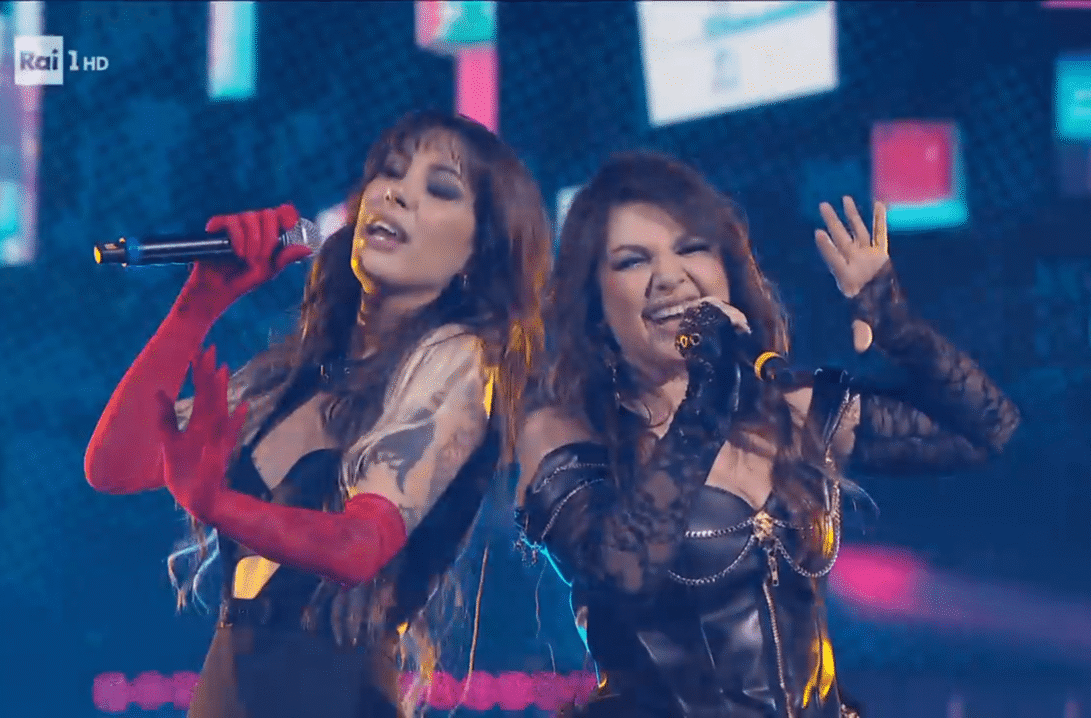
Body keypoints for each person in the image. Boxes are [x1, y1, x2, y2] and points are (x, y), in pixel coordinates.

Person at [514, 151, 1020, 718]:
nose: (669, 277)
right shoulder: (561, 431)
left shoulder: (789, 410)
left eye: (692, 248)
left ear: (727, 269)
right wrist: (708, 389)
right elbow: (622, 572)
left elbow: (985, 429)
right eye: (633, 261)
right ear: (595, 303)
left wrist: (889, 315)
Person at [84, 110, 552, 718]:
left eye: (439, 189)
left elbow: (360, 546)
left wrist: (219, 504)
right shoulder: (294, 379)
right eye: (390, 172)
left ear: (477, 253)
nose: (396, 193)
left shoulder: (458, 361)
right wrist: (200, 302)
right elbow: (116, 464)